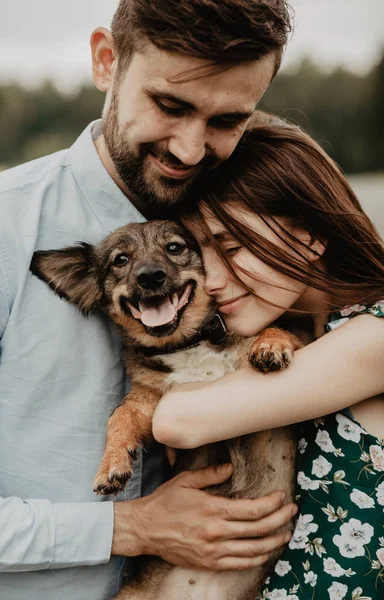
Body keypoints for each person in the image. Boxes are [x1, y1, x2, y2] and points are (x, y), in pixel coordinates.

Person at [0, 2, 298, 599]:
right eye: (170, 105)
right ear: (107, 61)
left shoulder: (249, 235)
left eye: (228, 120)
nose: (189, 149)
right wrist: (128, 526)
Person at [152, 122, 384, 598]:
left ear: (313, 234)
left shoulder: (375, 336)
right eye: (200, 254)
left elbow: (177, 419)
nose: (210, 281)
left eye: (231, 247)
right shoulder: (295, 338)